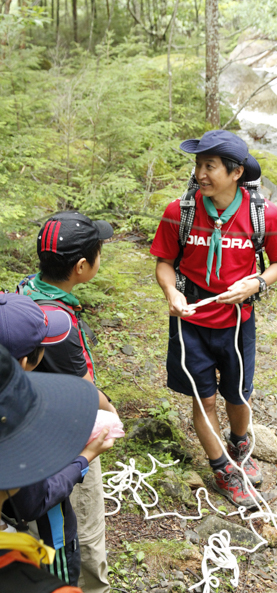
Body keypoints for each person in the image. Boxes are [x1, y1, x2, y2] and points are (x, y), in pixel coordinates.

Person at [150, 130, 277, 508]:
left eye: (209, 166)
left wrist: (256, 283)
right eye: (198, 165)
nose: (200, 173)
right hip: (190, 320)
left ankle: (240, 442)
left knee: (238, 394)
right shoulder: (179, 211)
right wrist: (173, 293)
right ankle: (223, 469)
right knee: (205, 399)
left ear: (236, 172)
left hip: (237, 320)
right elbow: (164, 263)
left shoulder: (264, 214)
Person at [22, 211, 115, 593]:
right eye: (98, 252)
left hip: (28, 430)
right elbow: (83, 388)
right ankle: (90, 586)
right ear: (81, 266)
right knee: (85, 524)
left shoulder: (25, 292)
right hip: (65, 438)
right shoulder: (58, 325)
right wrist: (110, 411)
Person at [0, 293, 114, 586]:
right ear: (25, 361)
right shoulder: (16, 427)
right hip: (47, 535)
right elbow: (34, 500)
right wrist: (84, 457)